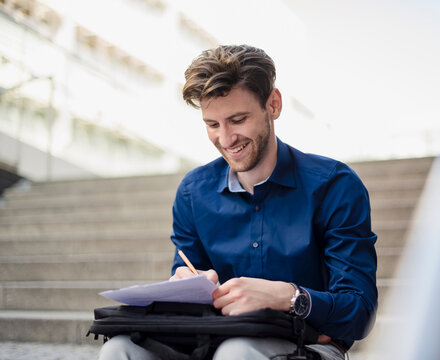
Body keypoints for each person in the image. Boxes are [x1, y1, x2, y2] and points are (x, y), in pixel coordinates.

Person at [99, 44, 377, 360]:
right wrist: (184, 288)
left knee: (237, 353)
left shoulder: (335, 186)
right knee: (118, 349)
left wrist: (290, 297)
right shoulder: (193, 192)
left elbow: (359, 312)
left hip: (307, 344)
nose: (226, 139)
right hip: (213, 338)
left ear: (273, 104)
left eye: (238, 119)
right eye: (212, 124)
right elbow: (186, 278)